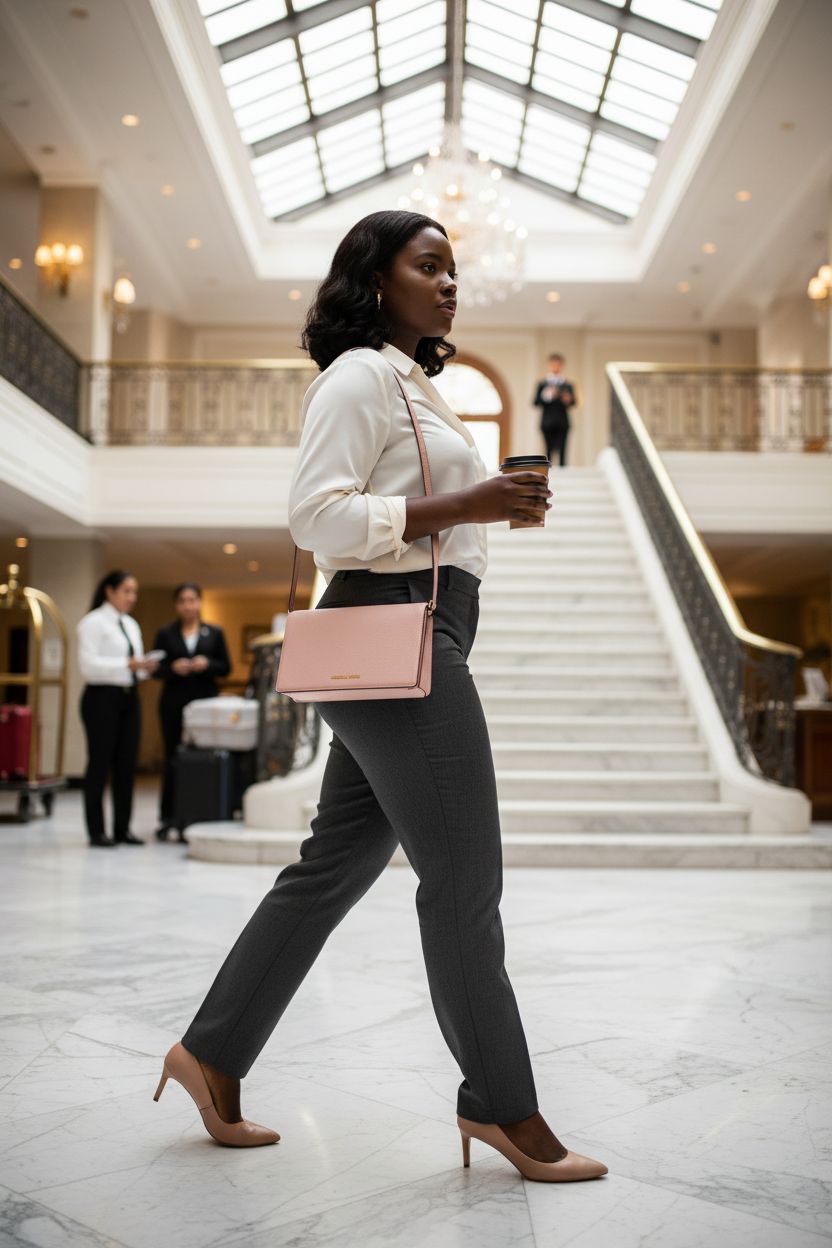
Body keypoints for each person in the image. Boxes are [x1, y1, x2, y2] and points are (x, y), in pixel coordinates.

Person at [154, 211, 608, 1183]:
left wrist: (484, 509)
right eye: (428, 265)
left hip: (424, 623)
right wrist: (468, 504)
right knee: (462, 875)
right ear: (376, 276)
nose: (450, 283)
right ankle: (501, 1105)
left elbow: (417, 517)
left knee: (332, 868)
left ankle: (211, 1053)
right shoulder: (359, 373)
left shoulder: (418, 386)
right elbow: (315, 515)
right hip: (393, 626)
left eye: (455, 269)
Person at [77, 570, 158, 847]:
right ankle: (97, 831)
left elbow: (133, 666)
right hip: (101, 699)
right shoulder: (93, 622)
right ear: (109, 591)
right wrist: (127, 665)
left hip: (128, 697)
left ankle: (122, 829)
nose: (132, 597)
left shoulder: (131, 624)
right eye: (126, 591)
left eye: (134, 591)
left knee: (126, 766)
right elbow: (88, 667)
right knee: (100, 765)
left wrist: (144, 668)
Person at [151, 583, 231, 842]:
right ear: (177, 605)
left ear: (199, 602)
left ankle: (197, 814)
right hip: (173, 703)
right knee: (174, 757)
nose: (188, 605)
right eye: (183, 600)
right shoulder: (166, 633)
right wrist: (172, 667)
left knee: (201, 758)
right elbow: (155, 669)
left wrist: (206, 664)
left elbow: (225, 667)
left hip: (204, 705)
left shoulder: (214, 633)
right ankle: (169, 817)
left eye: (192, 600)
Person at [533, 353, 576, 467]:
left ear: (562, 366)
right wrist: (547, 395)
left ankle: (563, 469)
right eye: (553, 364)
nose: (555, 366)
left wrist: (566, 399)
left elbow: (573, 403)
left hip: (562, 422)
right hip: (547, 422)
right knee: (548, 448)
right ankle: (548, 469)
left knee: (563, 448)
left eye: (558, 364)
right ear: (549, 365)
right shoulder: (542, 384)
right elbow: (536, 402)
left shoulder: (568, 385)